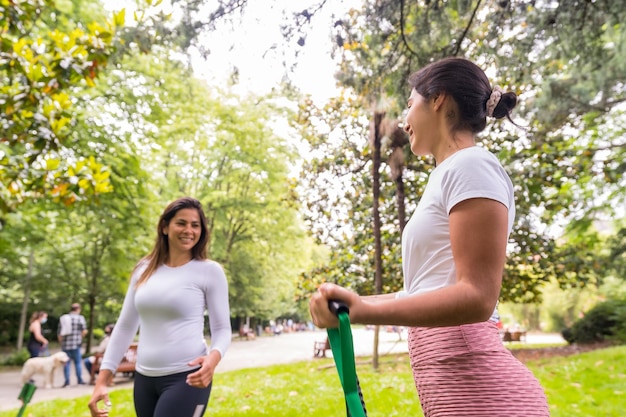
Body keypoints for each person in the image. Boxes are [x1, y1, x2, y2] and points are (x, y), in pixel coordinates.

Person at [309, 57, 549, 416]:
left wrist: (361, 313)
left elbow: (478, 296)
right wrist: (351, 305)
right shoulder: (448, 174)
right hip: (454, 396)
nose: (405, 121)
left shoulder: (471, 165)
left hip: (485, 398)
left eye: (409, 104)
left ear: (437, 98)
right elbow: (423, 290)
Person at [88, 197, 232, 417]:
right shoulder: (143, 269)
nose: (189, 230)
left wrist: (212, 361)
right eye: (181, 223)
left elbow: (222, 329)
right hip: (144, 380)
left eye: (195, 225)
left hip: (187, 378)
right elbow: (125, 326)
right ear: (165, 227)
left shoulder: (210, 271)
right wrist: (102, 381)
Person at [58, 302, 88, 387]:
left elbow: (59, 333)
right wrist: (80, 337)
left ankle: (67, 382)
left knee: (66, 363)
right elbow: (84, 330)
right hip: (76, 344)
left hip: (65, 345)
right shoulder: (80, 318)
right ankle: (79, 380)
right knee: (78, 363)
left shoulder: (64, 318)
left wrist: (61, 342)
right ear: (78, 309)